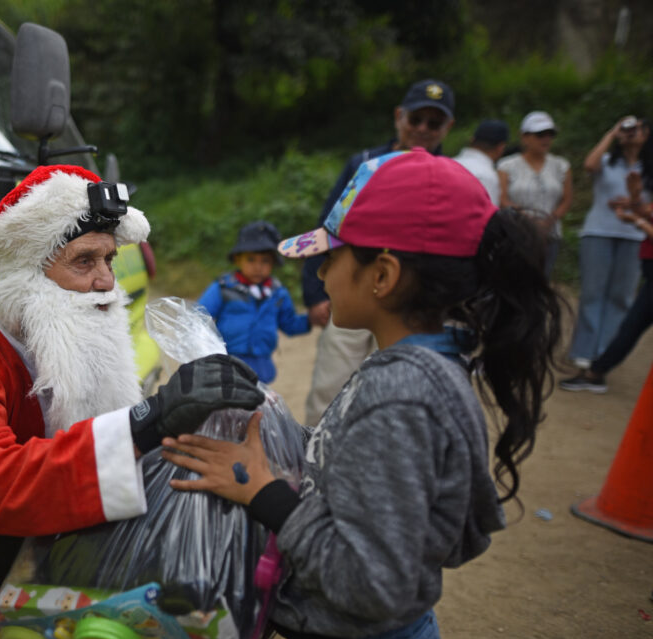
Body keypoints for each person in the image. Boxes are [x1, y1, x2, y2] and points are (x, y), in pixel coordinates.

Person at [161, 149, 562, 639]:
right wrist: (273, 436)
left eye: (332, 257)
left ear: (384, 275)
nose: (321, 272)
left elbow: (369, 582)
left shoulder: (403, 395)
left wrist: (265, 494)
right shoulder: (415, 367)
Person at [0, 165, 264, 639]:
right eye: (84, 261)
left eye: (109, 258)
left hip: (56, 614)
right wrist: (145, 422)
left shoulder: (77, 355)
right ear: (29, 274)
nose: (105, 281)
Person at [300, 78, 455, 424]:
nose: (423, 129)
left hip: (413, 301)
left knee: (400, 395)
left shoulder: (451, 177)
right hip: (354, 287)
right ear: (399, 116)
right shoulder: (366, 163)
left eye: (435, 122)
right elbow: (329, 226)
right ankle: (312, 465)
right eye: (416, 119)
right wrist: (315, 293)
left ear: (449, 127)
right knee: (331, 386)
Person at [564, 116, 652, 370]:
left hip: (635, 235)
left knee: (621, 296)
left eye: (637, 129)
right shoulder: (607, 161)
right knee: (593, 293)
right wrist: (612, 133)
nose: (632, 133)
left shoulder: (649, 169)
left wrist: (633, 204)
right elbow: (589, 165)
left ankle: (605, 350)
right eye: (628, 129)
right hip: (599, 231)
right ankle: (583, 349)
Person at [197, 220, 311, 383]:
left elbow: (290, 324)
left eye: (265, 261)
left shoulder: (278, 294)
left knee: (259, 405)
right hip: (228, 364)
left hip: (262, 367)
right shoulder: (223, 288)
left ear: (273, 263)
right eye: (251, 259)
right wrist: (206, 346)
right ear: (237, 259)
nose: (258, 266)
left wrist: (311, 319)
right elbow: (198, 316)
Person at [497, 111, 573, 277]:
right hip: (516, 234)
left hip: (549, 235)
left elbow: (566, 200)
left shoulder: (561, 165)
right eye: (540, 134)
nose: (546, 139)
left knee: (541, 281)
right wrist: (528, 220)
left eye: (550, 134)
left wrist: (548, 221)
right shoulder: (507, 165)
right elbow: (502, 199)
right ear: (525, 137)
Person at [453, 119, 509, 206]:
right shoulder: (487, 176)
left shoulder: (448, 162)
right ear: (501, 147)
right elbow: (487, 216)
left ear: (472, 139)